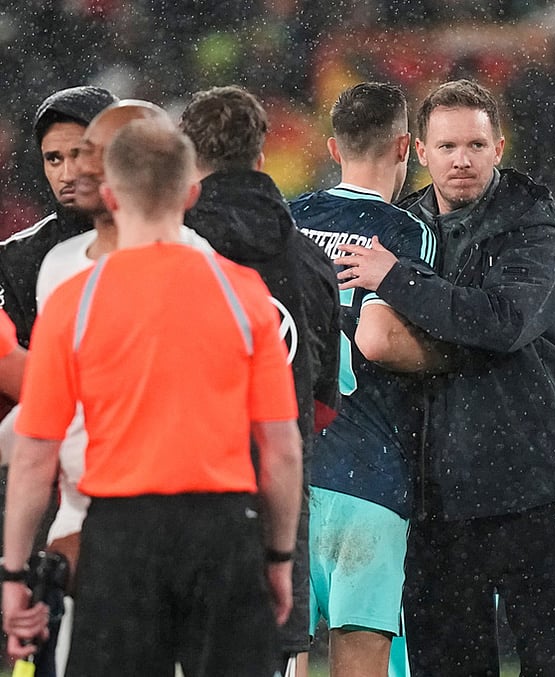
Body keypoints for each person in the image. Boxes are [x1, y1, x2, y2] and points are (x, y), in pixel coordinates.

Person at [1, 119, 303, 676]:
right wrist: (279, 558)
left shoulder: (74, 301)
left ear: (111, 197)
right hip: (222, 531)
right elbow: (281, 448)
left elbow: (35, 454)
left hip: (121, 536)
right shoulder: (242, 293)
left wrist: (14, 574)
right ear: (190, 194)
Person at [336, 78, 555, 677]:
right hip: (438, 495)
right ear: (420, 151)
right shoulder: (403, 227)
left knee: (551, 666)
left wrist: (397, 281)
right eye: (447, 147)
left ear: (499, 148)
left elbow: (503, 322)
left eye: (475, 145)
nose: (462, 160)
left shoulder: (532, 226)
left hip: (534, 486)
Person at [4, 99, 214, 677]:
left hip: (164, 512)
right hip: (80, 508)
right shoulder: (50, 262)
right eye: (58, 158)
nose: (76, 170)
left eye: (88, 153)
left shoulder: (203, 263)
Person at [179, 85, 341, 675]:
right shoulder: (310, 262)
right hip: (274, 505)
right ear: (261, 156)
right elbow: (321, 407)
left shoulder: (165, 251)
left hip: (177, 497)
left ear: (188, 156)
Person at [289, 81, 441, 677]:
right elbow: (381, 339)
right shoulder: (407, 230)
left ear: (334, 147)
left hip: (290, 468)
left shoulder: (289, 220)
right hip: (369, 469)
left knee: (281, 655)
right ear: (405, 147)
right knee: (362, 657)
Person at [0, 86, 117, 348]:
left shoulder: (175, 239)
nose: (67, 175)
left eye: (79, 154)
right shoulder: (16, 260)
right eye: (54, 159)